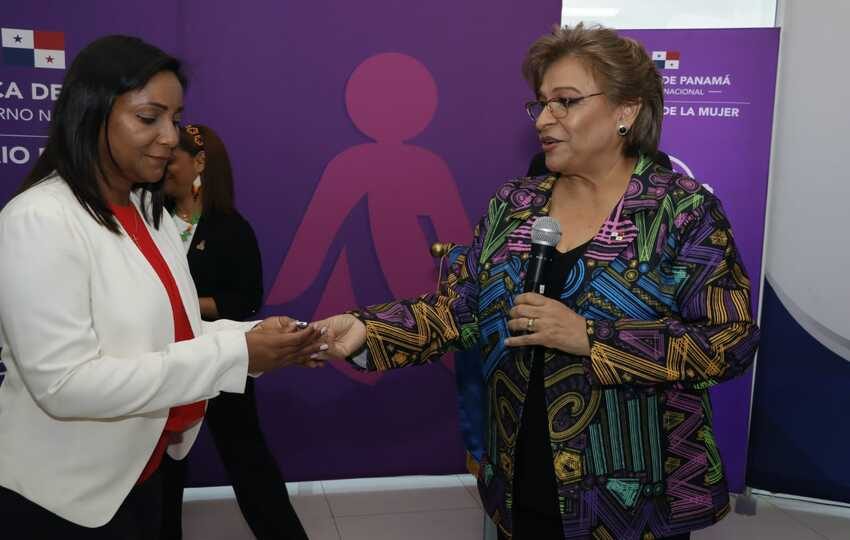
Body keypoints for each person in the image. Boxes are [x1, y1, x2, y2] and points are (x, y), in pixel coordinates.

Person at [315, 24, 760, 540]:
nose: (545, 119)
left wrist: (594, 339)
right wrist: (365, 330)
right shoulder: (515, 204)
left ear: (626, 110)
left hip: (634, 499)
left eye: (565, 102)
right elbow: (460, 310)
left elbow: (730, 342)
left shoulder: (682, 212)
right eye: (541, 104)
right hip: (521, 477)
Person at [0, 35, 325, 539]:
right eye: (149, 118)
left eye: (174, 118)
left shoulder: (150, 214)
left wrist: (263, 337)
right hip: (63, 501)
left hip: (142, 473)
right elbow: (65, 386)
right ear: (91, 113)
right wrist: (237, 354)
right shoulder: (39, 219)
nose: (171, 136)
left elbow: (178, 333)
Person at [160, 123, 309, 539]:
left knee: (247, 459)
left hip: (226, 354)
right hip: (168, 360)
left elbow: (245, 300)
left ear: (200, 162)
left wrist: (182, 304)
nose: (162, 165)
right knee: (165, 470)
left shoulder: (231, 228)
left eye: (172, 157)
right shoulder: (152, 224)